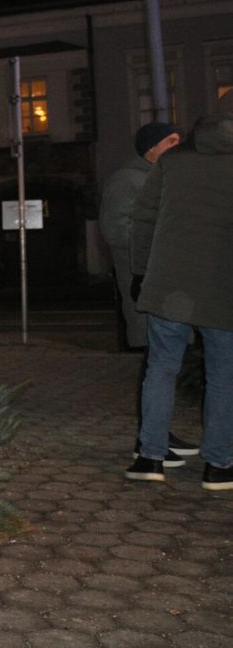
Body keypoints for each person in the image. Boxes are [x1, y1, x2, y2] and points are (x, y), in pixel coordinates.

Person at [124, 99, 233, 491]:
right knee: (224, 375)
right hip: (223, 285)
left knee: (161, 366)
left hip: (170, 283)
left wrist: (141, 271)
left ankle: (150, 457)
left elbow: (143, 217)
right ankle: (219, 465)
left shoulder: (173, 160)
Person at [99, 121, 197, 467]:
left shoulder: (161, 178)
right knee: (155, 363)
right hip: (143, 286)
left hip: (166, 285)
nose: (177, 146)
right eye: (171, 141)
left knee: (162, 362)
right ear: (150, 148)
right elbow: (116, 230)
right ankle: (149, 440)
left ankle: (158, 433)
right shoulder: (128, 181)